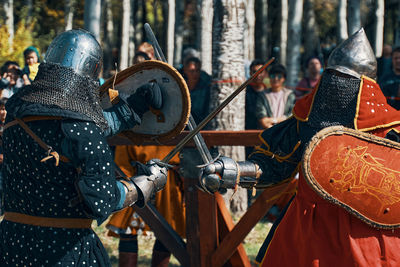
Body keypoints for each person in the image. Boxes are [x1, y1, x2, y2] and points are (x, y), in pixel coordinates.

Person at [200, 28, 400, 266]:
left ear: (363, 86)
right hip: (307, 224)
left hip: (362, 231)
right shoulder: (307, 120)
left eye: (345, 80)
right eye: (332, 76)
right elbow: (274, 164)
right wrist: (232, 169)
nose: (335, 86)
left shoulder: (388, 129)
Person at [0, 29, 169, 266]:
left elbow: (72, 128)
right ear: (94, 69)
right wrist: (144, 185)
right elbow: (100, 200)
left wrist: (133, 108)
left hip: (12, 244)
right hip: (63, 249)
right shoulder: (82, 127)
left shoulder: (17, 111)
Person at [107, 50, 186, 267]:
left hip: (165, 171)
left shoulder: (170, 99)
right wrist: (125, 177)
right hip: (133, 165)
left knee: (166, 228)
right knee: (128, 225)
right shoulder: (127, 92)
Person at [255, 64, 295, 129]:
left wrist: (273, 120)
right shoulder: (262, 95)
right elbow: (262, 119)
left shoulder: (290, 95)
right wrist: (274, 129)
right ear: (269, 78)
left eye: (279, 76)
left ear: (284, 79)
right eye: (273, 76)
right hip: (267, 132)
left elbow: (292, 117)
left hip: (286, 131)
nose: (276, 79)